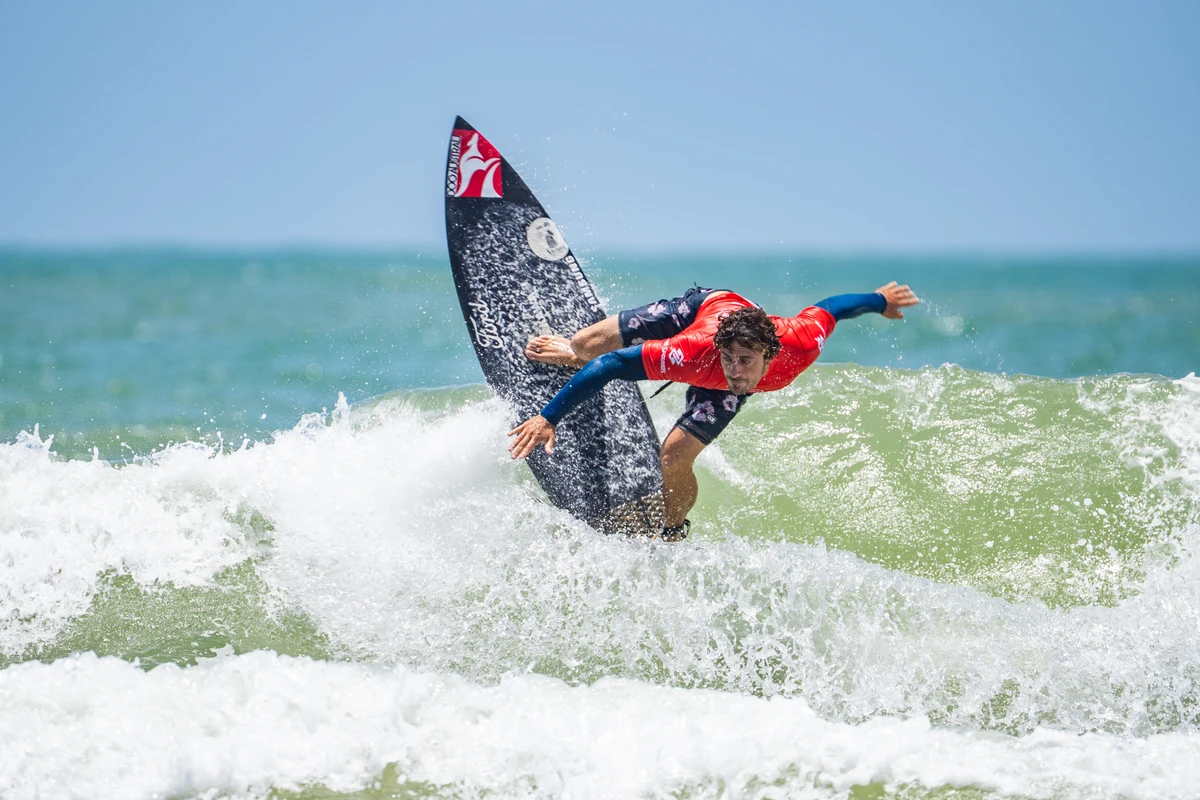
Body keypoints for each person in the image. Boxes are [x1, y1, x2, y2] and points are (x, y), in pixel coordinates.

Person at [508, 282, 919, 540]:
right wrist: (549, 417)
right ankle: (569, 353)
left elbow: (832, 306)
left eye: (746, 361)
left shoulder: (801, 343)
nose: (736, 372)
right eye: (730, 359)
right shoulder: (695, 352)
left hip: (722, 347)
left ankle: (670, 531)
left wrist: (878, 300)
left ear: (769, 354)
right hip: (702, 309)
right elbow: (611, 366)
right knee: (586, 346)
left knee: (673, 457)